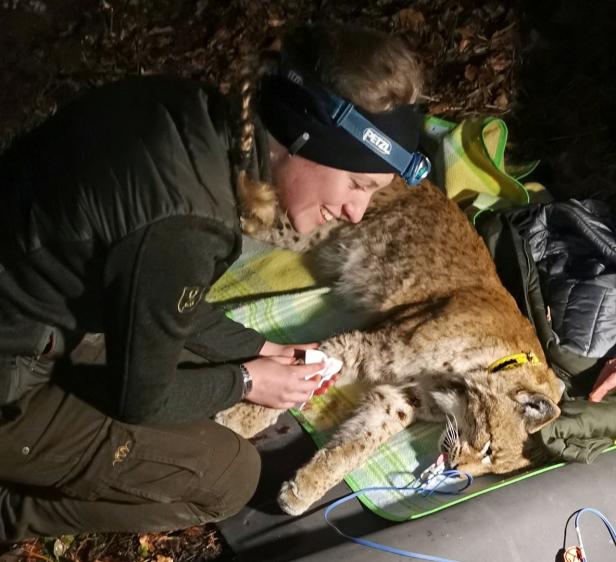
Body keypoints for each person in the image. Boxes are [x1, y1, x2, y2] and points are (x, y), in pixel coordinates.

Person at [0, 23, 427, 541]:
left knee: (204, 357)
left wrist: (261, 346)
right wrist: (248, 380)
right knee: (229, 476)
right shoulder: (188, 225)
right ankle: (9, 514)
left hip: (34, 302)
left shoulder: (193, 113)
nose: (357, 212)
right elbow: (140, 399)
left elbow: (153, 287)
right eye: (358, 184)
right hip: (13, 378)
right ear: (304, 135)